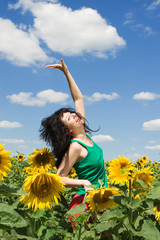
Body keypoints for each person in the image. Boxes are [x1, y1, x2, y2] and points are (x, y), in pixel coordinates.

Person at [40, 59, 108, 226]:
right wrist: (83, 182)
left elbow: (78, 99)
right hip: (84, 205)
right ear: (67, 131)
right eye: (69, 118)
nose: (74, 115)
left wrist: (66, 73)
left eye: (72, 113)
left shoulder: (86, 136)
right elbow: (60, 178)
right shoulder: (76, 146)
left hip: (101, 200)